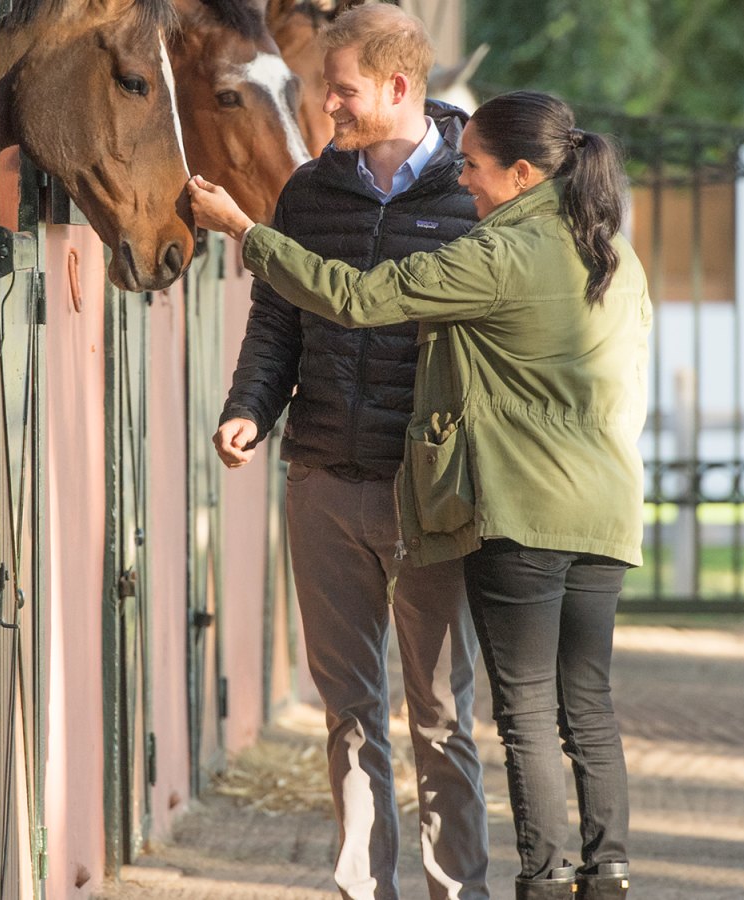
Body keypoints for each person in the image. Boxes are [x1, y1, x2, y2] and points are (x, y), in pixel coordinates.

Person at [188, 89, 648, 900]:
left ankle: (542, 883)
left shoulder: (497, 254)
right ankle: (605, 878)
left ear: (521, 173)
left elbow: (360, 299)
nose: (462, 179)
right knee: (590, 709)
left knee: (528, 716)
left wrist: (243, 232)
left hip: (524, 515)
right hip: (605, 510)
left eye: (472, 166)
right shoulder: (613, 252)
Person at [213, 5, 490, 899]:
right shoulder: (307, 191)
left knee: (442, 717)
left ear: (399, 87)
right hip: (324, 479)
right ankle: (363, 887)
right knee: (350, 714)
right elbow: (277, 319)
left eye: (341, 92)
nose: (325, 107)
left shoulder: (474, 197)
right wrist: (250, 408)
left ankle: (458, 888)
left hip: (431, 495)